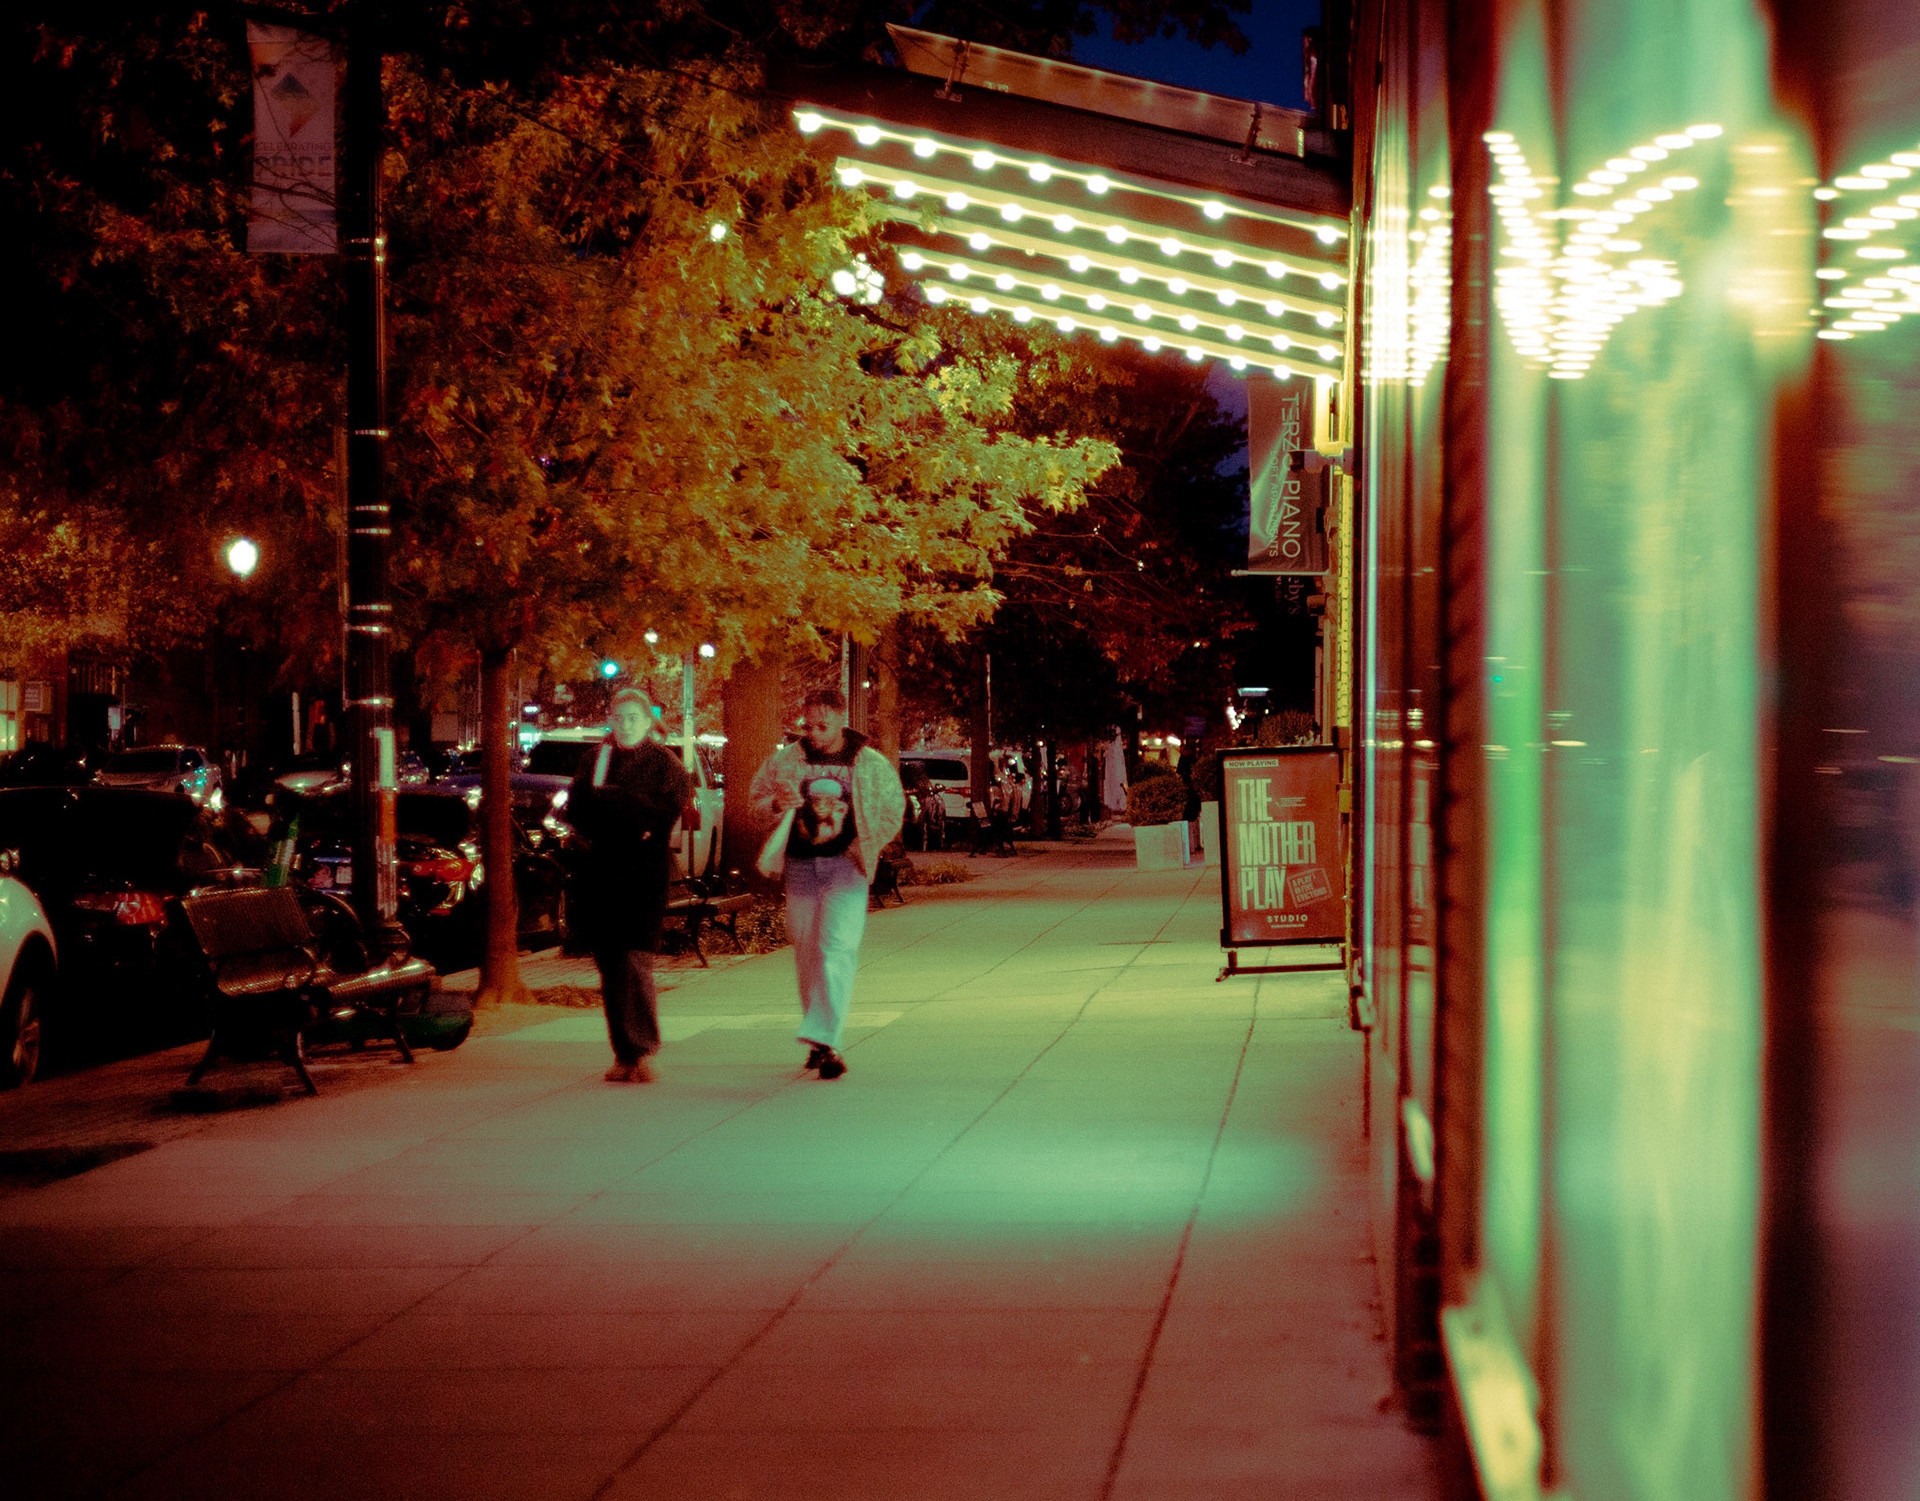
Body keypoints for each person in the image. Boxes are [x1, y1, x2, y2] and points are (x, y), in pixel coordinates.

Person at [749, 687, 904, 1079]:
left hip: (846, 868)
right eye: (809, 725)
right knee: (807, 951)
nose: (814, 733)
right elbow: (755, 802)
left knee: (836, 949)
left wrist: (864, 845)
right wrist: (775, 804)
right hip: (800, 867)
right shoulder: (786, 760)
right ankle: (819, 1040)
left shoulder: (869, 762)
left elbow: (893, 808)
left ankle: (828, 1040)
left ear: (841, 719)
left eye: (823, 725)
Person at [566, 688, 694, 1083]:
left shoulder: (665, 765)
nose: (625, 725)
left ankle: (644, 1049)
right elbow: (578, 810)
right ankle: (623, 1052)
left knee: (636, 960)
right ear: (610, 719)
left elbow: (661, 816)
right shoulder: (594, 760)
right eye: (618, 718)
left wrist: (619, 804)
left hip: (643, 875)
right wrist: (620, 814)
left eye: (633, 718)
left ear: (648, 721)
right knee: (609, 963)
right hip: (601, 873)